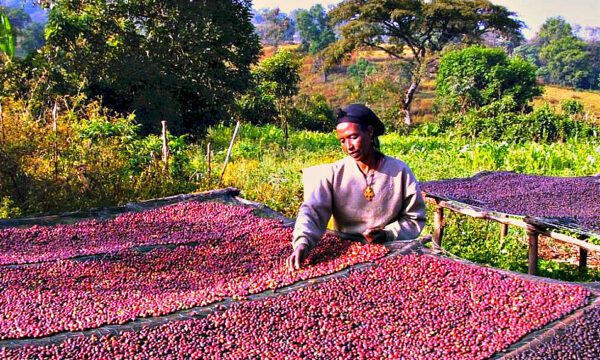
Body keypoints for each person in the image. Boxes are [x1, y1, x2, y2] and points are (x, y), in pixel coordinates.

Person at [287, 104, 426, 270]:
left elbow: (413, 218)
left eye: (353, 137)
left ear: (369, 132)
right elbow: (312, 211)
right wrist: (302, 242)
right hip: (345, 252)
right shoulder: (333, 173)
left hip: (391, 251)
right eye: (342, 141)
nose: (348, 146)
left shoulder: (399, 171)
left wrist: (388, 234)